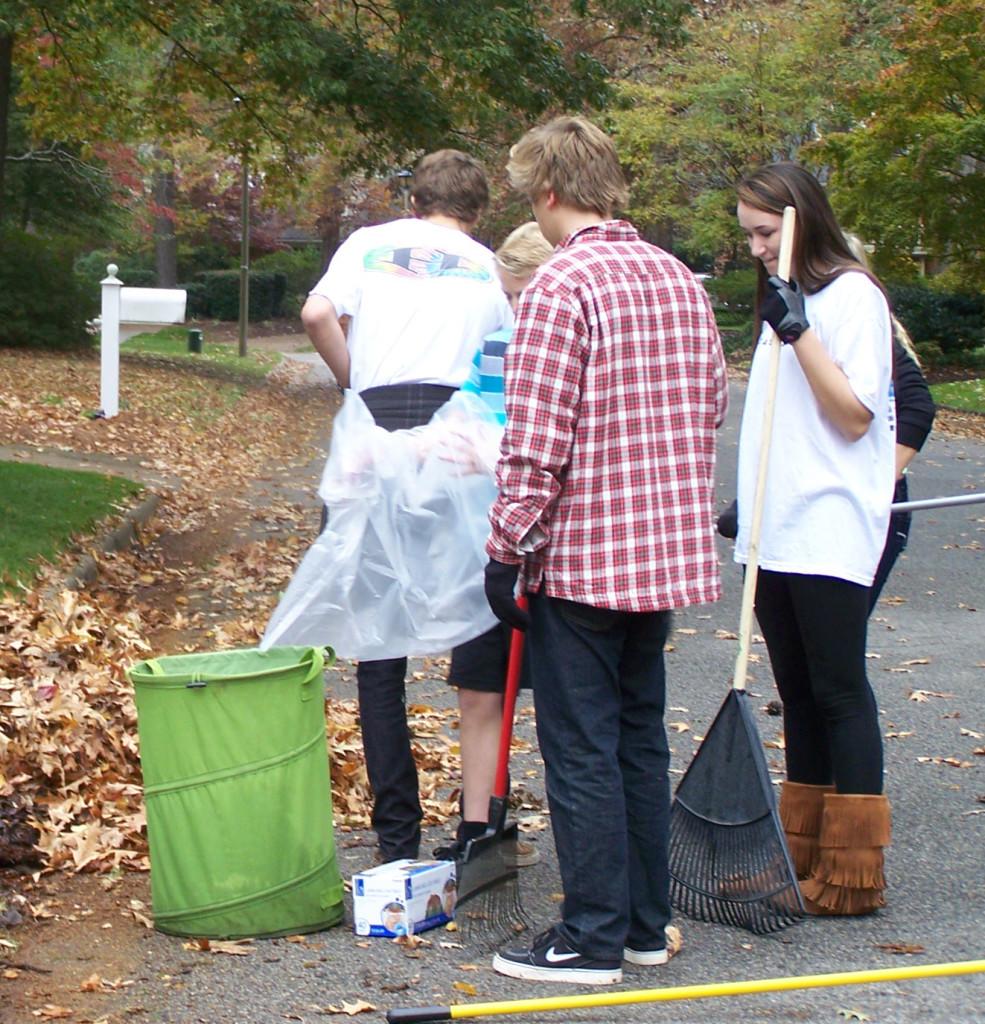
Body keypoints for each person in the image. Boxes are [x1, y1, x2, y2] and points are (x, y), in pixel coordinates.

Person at [484, 116, 728, 985]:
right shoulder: (676, 278)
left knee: (581, 746)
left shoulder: (561, 285)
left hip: (583, 555)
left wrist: (507, 546)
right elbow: (709, 407)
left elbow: (535, 436)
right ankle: (639, 923)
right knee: (636, 739)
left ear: (547, 191)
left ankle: (589, 938)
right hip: (659, 551)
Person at [301, 149, 512, 863]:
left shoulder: (366, 244)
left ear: (413, 200)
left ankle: (397, 837)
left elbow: (316, 312)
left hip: (375, 435)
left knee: (378, 643)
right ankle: (477, 829)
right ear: (477, 209)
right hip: (455, 437)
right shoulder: (486, 266)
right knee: (477, 628)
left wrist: (354, 383)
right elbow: (499, 365)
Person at [733, 163, 896, 916]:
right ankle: (797, 854)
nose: (757, 249)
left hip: (830, 522)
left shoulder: (852, 297)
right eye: (748, 236)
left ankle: (854, 870)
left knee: (836, 688)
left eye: (765, 233)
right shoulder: (780, 300)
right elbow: (781, 421)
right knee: (794, 692)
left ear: (800, 220)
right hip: (777, 527)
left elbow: (852, 415)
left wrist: (799, 330)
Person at [716, 240, 936, 612]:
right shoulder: (789, 323)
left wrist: (880, 480)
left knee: (832, 653)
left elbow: (917, 408)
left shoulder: (862, 325)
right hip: (795, 506)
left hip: (853, 504)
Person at [436, 222, 554, 867]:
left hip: (564, 550)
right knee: (480, 690)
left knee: (568, 699)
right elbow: (469, 419)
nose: (516, 311)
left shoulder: (578, 342)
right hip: (495, 540)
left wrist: (500, 455)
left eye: (524, 295)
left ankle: (586, 829)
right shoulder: (496, 347)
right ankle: (478, 827)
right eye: (507, 297)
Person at [841, 235, 936, 610]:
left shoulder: (872, 330)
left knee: (837, 639)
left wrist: (883, 477)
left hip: (871, 507)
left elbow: (918, 408)